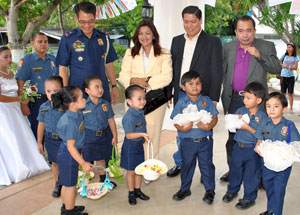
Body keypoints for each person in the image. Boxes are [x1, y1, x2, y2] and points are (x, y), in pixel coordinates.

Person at [56, 1, 119, 165]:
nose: (87, 25)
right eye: (82, 21)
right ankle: (81, 166)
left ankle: (105, 167)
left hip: (101, 92)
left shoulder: (103, 38)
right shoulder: (68, 39)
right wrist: (66, 94)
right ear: (76, 18)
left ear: (96, 17)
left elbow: (109, 63)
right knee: (80, 130)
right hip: (79, 95)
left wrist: (114, 86)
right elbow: (63, 67)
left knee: (104, 127)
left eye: (91, 21)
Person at [220, 15, 281, 182]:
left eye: (249, 30)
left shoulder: (266, 46)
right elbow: (223, 73)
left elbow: (276, 68)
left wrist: (259, 55)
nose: (245, 35)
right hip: (234, 99)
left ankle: (260, 175)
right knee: (233, 138)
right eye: (241, 31)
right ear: (235, 32)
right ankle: (234, 171)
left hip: (257, 102)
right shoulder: (228, 48)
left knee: (259, 136)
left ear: (254, 31)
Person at [167, 5, 223, 177]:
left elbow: (217, 70)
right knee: (182, 130)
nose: (189, 25)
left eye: (193, 21)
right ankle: (181, 163)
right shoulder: (177, 40)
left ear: (200, 20)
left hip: (202, 94)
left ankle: (205, 169)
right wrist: (170, 91)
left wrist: (213, 97)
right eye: (186, 21)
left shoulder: (212, 41)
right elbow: (173, 68)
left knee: (204, 130)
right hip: (181, 93)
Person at [118, 19, 172, 160]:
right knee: (134, 132)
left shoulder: (164, 54)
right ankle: (135, 163)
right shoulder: (130, 53)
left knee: (152, 133)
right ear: (137, 36)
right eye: (141, 33)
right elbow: (123, 74)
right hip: (133, 101)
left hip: (155, 100)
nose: (144, 36)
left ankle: (150, 166)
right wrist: (133, 81)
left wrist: (147, 82)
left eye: (148, 33)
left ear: (153, 35)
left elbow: (167, 76)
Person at [0, 46, 49, 186]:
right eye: (5, 57)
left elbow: (17, 92)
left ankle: (30, 164)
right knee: (10, 138)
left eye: (10, 56)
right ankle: (15, 169)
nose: (9, 59)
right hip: (3, 112)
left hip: (15, 110)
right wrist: (18, 100)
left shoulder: (10, 73)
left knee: (22, 136)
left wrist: (24, 98)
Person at [171, 71, 218, 204]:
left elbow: (214, 117)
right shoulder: (181, 102)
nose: (195, 86)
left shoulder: (206, 101)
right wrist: (182, 128)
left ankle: (210, 191)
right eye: (190, 84)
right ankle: (185, 188)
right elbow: (175, 120)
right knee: (187, 165)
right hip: (187, 141)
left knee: (207, 165)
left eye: (198, 83)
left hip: (205, 141)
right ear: (183, 87)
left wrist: (209, 127)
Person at [222, 82, 267, 210]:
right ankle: (232, 190)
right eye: (244, 97)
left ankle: (249, 197)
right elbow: (232, 127)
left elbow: (261, 135)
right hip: (238, 147)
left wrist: (247, 127)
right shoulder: (241, 111)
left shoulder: (262, 117)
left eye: (248, 98)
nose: (244, 100)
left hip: (252, 150)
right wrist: (234, 119)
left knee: (251, 173)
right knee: (235, 169)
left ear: (258, 100)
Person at [254, 92, 300, 215]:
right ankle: (271, 210)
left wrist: (288, 152)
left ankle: (276, 212)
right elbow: (260, 139)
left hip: (283, 165)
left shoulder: (289, 126)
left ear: (284, 108)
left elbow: (296, 144)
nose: (271, 109)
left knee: (278, 190)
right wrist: (258, 146)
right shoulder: (264, 123)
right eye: (268, 106)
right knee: (269, 188)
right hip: (267, 163)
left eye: (276, 106)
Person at [52, 86, 93, 215]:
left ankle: (66, 207)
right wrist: (83, 163)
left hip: (70, 154)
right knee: (70, 186)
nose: (84, 99)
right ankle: (69, 212)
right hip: (69, 155)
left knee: (66, 183)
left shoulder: (77, 113)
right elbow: (71, 147)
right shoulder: (70, 122)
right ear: (72, 103)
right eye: (81, 97)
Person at [16, 32, 58, 138]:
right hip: (36, 102)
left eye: (45, 41)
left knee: (54, 129)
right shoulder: (27, 60)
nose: (43, 44)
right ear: (32, 43)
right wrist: (23, 104)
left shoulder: (52, 59)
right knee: (37, 131)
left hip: (54, 101)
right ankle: (38, 153)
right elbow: (21, 83)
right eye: (40, 42)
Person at [82, 76, 118, 188]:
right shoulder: (83, 106)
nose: (100, 89)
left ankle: (103, 179)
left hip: (102, 136)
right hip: (88, 137)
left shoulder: (105, 104)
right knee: (87, 161)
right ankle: (84, 181)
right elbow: (79, 124)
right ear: (87, 91)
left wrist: (115, 135)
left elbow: (111, 121)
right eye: (96, 87)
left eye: (101, 86)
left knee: (101, 159)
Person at [120, 85, 150, 206]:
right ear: (129, 101)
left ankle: (138, 190)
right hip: (130, 147)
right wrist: (142, 134)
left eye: (144, 98)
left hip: (138, 146)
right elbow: (128, 135)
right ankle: (131, 192)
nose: (143, 101)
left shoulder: (140, 112)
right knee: (131, 171)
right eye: (139, 99)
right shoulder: (129, 117)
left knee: (139, 170)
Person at [37, 76, 64, 197]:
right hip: (50, 139)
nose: (52, 94)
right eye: (48, 91)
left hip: (64, 139)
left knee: (68, 161)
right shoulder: (43, 108)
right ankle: (58, 183)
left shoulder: (66, 106)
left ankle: (71, 182)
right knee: (55, 163)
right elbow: (41, 125)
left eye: (55, 91)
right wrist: (39, 142)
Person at [279, 42, 299, 113]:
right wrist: (281, 65)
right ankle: (283, 107)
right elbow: (279, 62)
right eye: (288, 47)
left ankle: (291, 109)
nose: (288, 48)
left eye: (290, 47)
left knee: (290, 93)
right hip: (283, 76)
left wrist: (287, 67)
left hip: (291, 77)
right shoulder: (284, 55)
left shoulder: (296, 57)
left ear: (293, 48)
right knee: (283, 93)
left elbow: (295, 68)